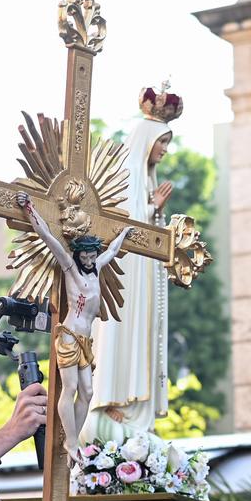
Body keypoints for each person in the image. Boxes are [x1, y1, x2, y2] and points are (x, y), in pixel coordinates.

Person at [83, 84, 178, 444]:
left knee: (144, 332)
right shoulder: (125, 178)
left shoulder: (147, 181)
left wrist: (155, 212)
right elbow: (122, 228)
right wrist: (151, 209)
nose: (166, 151)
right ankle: (111, 403)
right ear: (147, 140)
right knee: (122, 334)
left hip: (143, 284)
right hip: (122, 283)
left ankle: (137, 414)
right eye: (162, 142)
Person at [18, 193, 131, 465]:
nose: (91, 259)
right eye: (87, 256)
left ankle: (74, 439)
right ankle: (69, 441)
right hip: (69, 335)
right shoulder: (71, 268)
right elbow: (48, 238)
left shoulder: (97, 268)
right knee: (69, 388)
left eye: (93, 255)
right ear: (79, 255)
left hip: (85, 341)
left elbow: (113, 251)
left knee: (88, 393)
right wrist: (29, 208)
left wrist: (124, 235)